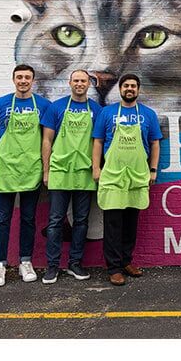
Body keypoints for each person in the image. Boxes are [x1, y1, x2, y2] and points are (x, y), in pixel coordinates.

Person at [92, 73, 162, 286]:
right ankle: (113, 268)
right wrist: (96, 168)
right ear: (120, 89)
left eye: (133, 86)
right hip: (113, 175)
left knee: (131, 222)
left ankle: (126, 261)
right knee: (113, 223)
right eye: (126, 85)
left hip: (137, 175)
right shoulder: (107, 113)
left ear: (138, 90)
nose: (129, 89)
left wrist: (153, 170)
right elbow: (97, 141)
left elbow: (155, 144)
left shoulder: (148, 114)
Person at [0, 64, 51, 287]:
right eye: (19, 77)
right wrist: (5, 155)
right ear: (13, 79)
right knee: (2, 219)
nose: (23, 80)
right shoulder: (0, 104)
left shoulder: (43, 105)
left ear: (33, 80)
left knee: (28, 219)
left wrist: (44, 168)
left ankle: (26, 261)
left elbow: (47, 138)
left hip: (31, 169)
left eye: (27, 77)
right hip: (5, 170)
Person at [40, 70, 103, 284]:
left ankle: (75, 263)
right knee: (56, 220)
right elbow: (47, 141)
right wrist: (47, 170)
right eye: (76, 80)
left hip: (85, 173)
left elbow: (99, 142)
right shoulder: (56, 107)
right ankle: (52, 265)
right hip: (60, 171)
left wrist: (97, 168)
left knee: (81, 221)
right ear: (70, 83)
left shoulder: (96, 109)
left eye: (83, 81)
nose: (79, 84)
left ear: (89, 84)